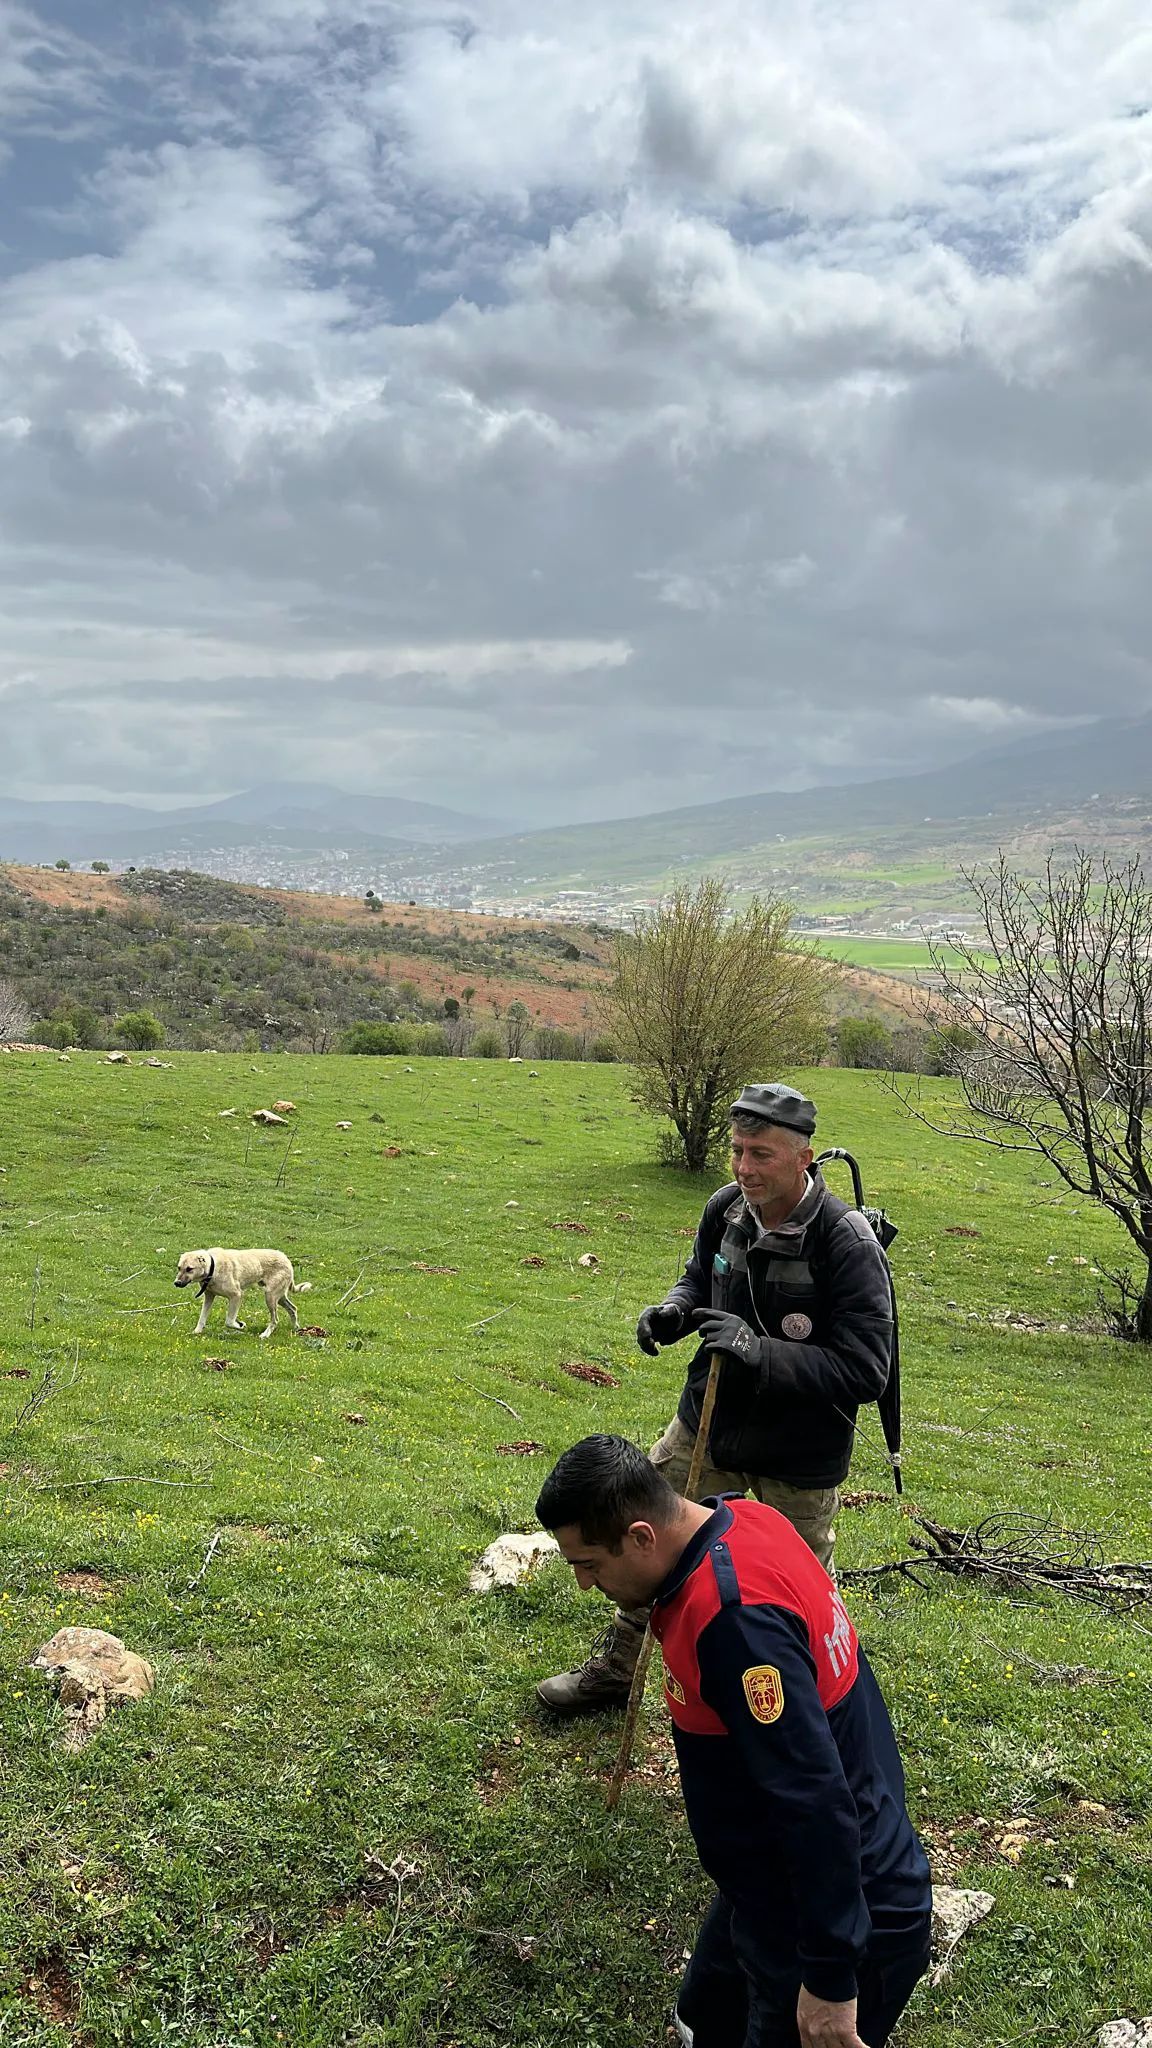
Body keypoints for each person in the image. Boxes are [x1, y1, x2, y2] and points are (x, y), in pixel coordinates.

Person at [536, 1435, 932, 2048]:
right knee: (703, 2018)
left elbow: (814, 1800)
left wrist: (829, 1977)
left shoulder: (735, 1624)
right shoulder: (747, 1519)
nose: (587, 1585)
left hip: (845, 1906)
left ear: (642, 1537)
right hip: (769, 1881)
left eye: (589, 1564)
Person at [537, 1082, 895, 1714]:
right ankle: (619, 1672)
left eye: (760, 1154)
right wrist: (675, 1312)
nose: (743, 1168)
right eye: (737, 1151)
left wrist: (760, 1350)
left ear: (803, 1156)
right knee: (642, 1539)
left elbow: (866, 1370)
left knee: (797, 1585)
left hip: (798, 1451)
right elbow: (700, 1277)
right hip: (708, 1420)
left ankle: (820, 1707)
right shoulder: (726, 1209)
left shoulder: (846, 1243)